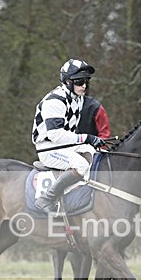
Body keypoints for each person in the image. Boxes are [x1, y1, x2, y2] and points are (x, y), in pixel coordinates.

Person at [31, 58, 107, 213]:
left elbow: (68, 135)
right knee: (81, 165)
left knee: (99, 155)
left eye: (86, 81)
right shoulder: (54, 101)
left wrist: (93, 142)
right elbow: (55, 135)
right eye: (79, 82)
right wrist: (87, 138)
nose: (84, 86)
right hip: (48, 147)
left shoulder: (77, 99)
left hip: (64, 144)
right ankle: (47, 198)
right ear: (67, 82)